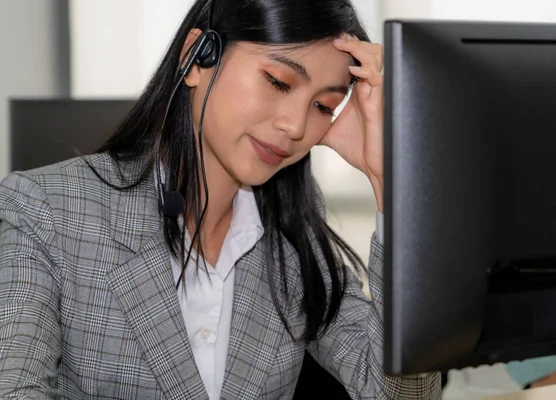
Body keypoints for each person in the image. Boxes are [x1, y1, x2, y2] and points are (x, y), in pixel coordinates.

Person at [0, 0, 441, 398]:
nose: (296, 126)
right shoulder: (42, 211)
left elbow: (402, 395)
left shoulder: (295, 234)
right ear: (197, 58)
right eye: (278, 81)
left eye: (324, 107)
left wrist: (393, 181)